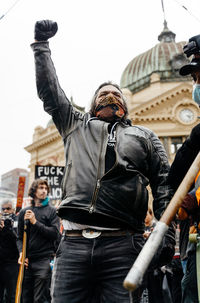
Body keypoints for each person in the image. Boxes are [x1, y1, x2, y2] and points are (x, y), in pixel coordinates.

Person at [31, 20, 175, 303]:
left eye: (116, 94)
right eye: (103, 93)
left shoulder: (143, 135)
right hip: (72, 246)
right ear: (93, 105)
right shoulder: (75, 125)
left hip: (123, 244)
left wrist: (165, 236)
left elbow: (163, 184)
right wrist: (41, 47)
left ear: (125, 106)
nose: (110, 95)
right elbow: (50, 92)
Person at [17, 179, 60, 303]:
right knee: (26, 297)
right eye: (41, 188)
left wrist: (35, 222)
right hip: (27, 262)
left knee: (40, 299)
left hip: (44, 261)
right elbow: (19, 237)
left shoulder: (52, 211)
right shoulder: (25, 211)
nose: (44, 191)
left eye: (46, 188)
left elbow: (55, 234)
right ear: (34, 190)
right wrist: (21, 253)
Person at [0, 200, 19, 303]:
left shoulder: (16, 221)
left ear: (13, 210)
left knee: (11, 295)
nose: (6, 211)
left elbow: (18, 240)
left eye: (8, 208)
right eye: (3, 209)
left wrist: (8, 229)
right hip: (1, 262)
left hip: (12, 263)